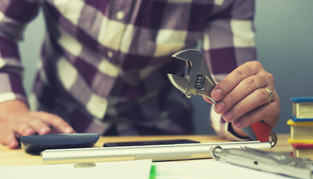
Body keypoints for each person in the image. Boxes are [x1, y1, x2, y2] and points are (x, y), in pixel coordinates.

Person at [0, 0, 280, 149]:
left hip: (160, 142)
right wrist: (9, 106)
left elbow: (231, 88)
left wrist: (250, 113)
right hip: (55, 132)